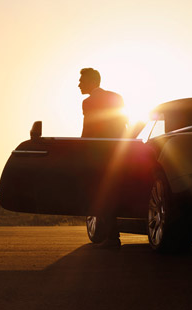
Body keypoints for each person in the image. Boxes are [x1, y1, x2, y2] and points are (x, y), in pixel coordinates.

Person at [78, 68, 127, 248]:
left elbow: (88, 130)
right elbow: (123, 124)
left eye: (81, 81)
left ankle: (112, 237)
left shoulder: (88, 102)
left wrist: (80, 149)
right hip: (118, 154)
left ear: (91, 82)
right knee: (113, 193)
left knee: (101, 195)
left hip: (98, 156)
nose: (79, 84)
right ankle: (113, 236)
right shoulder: (116, 97)